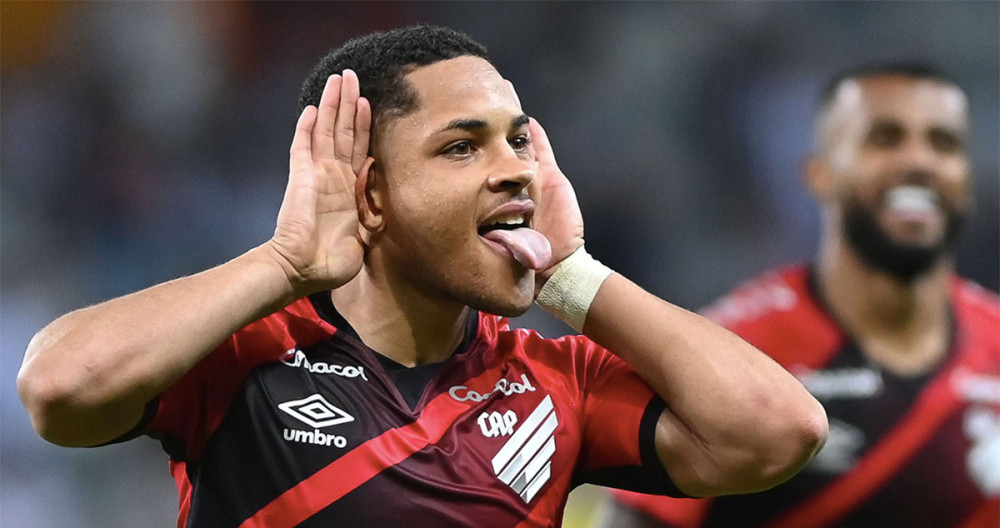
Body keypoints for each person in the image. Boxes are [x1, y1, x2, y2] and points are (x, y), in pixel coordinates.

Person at [17, 25, 827, 527]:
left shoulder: (553, 383)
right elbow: (59, 387)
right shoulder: (249, 354)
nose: (515, 172)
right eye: (462, 147)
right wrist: (284, 264)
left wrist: (572, 276)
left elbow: (776, 430)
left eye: (519, 141)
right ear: (368, 191)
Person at [603, 64, 1000, 528]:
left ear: (966, 182)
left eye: (943, 144)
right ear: (819, 174)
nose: (919, 161)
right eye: (885, 138)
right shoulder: (734, 352)